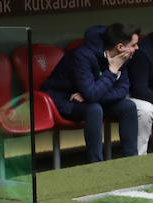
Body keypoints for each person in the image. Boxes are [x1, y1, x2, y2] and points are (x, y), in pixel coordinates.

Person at [42, 23, 142, 162]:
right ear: (120, 47)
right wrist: (112, 70)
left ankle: (132, 161)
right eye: (133, 45)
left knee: (128, 106)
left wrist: (92, 95)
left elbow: (122, 90)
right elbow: (93, 94)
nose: (137, 48)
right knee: (94, 109)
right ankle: (96, 165)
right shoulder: (82, 55)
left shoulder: (123, 57)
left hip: (90, 100)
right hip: (63, 100)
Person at [126, 17, 153, 155]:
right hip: (138, 96)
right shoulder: (143, 50)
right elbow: (139, 89)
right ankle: (139, 157)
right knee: (146, 110)